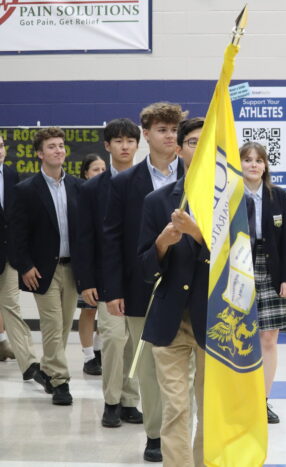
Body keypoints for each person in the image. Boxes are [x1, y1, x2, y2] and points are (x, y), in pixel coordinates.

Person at [103, 102, 186, 462]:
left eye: (174, 130)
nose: (170, 136)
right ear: (146, 134)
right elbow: (112, 238)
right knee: (149, 368)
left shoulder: (200, 179)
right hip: (142, 286)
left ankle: (184, 435)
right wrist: (113, 290)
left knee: (187, 371)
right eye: (162, 130)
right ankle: (155, 433)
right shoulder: (125, 183)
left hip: (189, 287)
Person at [137, 117, 206, 467]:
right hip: (170, 318)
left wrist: (198, 234)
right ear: (179, 149)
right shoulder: (157, 200)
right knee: (176, 407)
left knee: (210, 407)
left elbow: (241, 262)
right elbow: (145, 267)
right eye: (193, 142)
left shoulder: (235, 201)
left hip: (215, 320)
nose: (201, 147)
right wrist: (163, 243)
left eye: (207, 141)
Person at [74, 119, 143, 428]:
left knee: (136, 344)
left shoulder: (148, 181)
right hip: (107, 279)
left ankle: (130, 400)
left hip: (142, 277)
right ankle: (112, 402)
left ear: (137, 145)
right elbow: (84, 237)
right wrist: (86, 281)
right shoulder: (92, 188)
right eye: (118, 141)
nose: (124, 146)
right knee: (114, 338)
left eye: (130, 140)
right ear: (107, 146)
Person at [9, 127, 82, 405]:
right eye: (52, 146)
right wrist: (25, 266)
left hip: (72, 267)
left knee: (63, 326)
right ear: (40, 153)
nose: (58, 150)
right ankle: (62, 382)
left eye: (61, 146)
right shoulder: (26, 190)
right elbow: (17, 233)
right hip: (42, 270)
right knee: (52, 324)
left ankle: (50, 371)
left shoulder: (77, 186)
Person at [241, 141, 286, 424]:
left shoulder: (277, 196)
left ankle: (262, 400)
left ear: (265, 166)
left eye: (259, 160)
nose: (253, 164)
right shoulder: (231, 196)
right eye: (248, 159)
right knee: (241, 337)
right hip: (240, 269)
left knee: (269, 337)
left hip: (272, 268)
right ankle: (241, 399)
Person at [1, 133, 40, 376]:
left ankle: (29, 364)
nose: (0, 150)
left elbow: (13, 219)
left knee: (12, 308)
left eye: (2, 145)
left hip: (8, 256)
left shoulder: (11, 174)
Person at [77, 153, 106, 376]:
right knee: (89, 310)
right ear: (86, 173)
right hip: (88, 262)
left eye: (103, 169)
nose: (100, 173)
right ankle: (88, 356)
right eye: (96, 169)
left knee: (106, 311)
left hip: (107, 262)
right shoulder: (81, 196)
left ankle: (98, 350)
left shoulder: (111, 193)